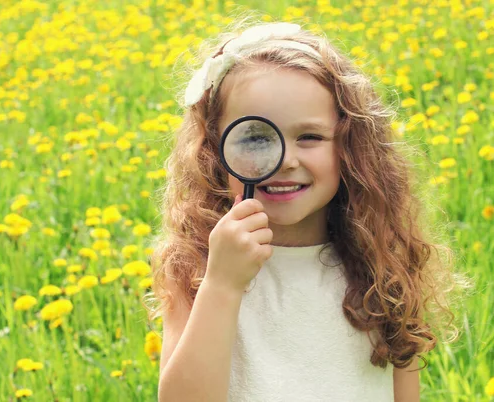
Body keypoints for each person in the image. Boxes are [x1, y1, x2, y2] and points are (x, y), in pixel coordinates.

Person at [148, 18, 469, 402]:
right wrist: (222, 284)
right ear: (213, 149)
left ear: (350, 147)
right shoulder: (197, 265)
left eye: (310, 137)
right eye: (255, 137)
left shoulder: (381, 261)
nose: (284, 160)